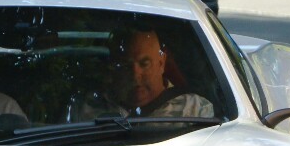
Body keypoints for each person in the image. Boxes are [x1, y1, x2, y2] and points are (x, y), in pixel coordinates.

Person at [73, 27, 213, 120]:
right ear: (113, 67)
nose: (135, 74)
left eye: (144, 64)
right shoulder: (88, 105)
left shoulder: (194, 109)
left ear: (161, 62)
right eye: (126, 66)